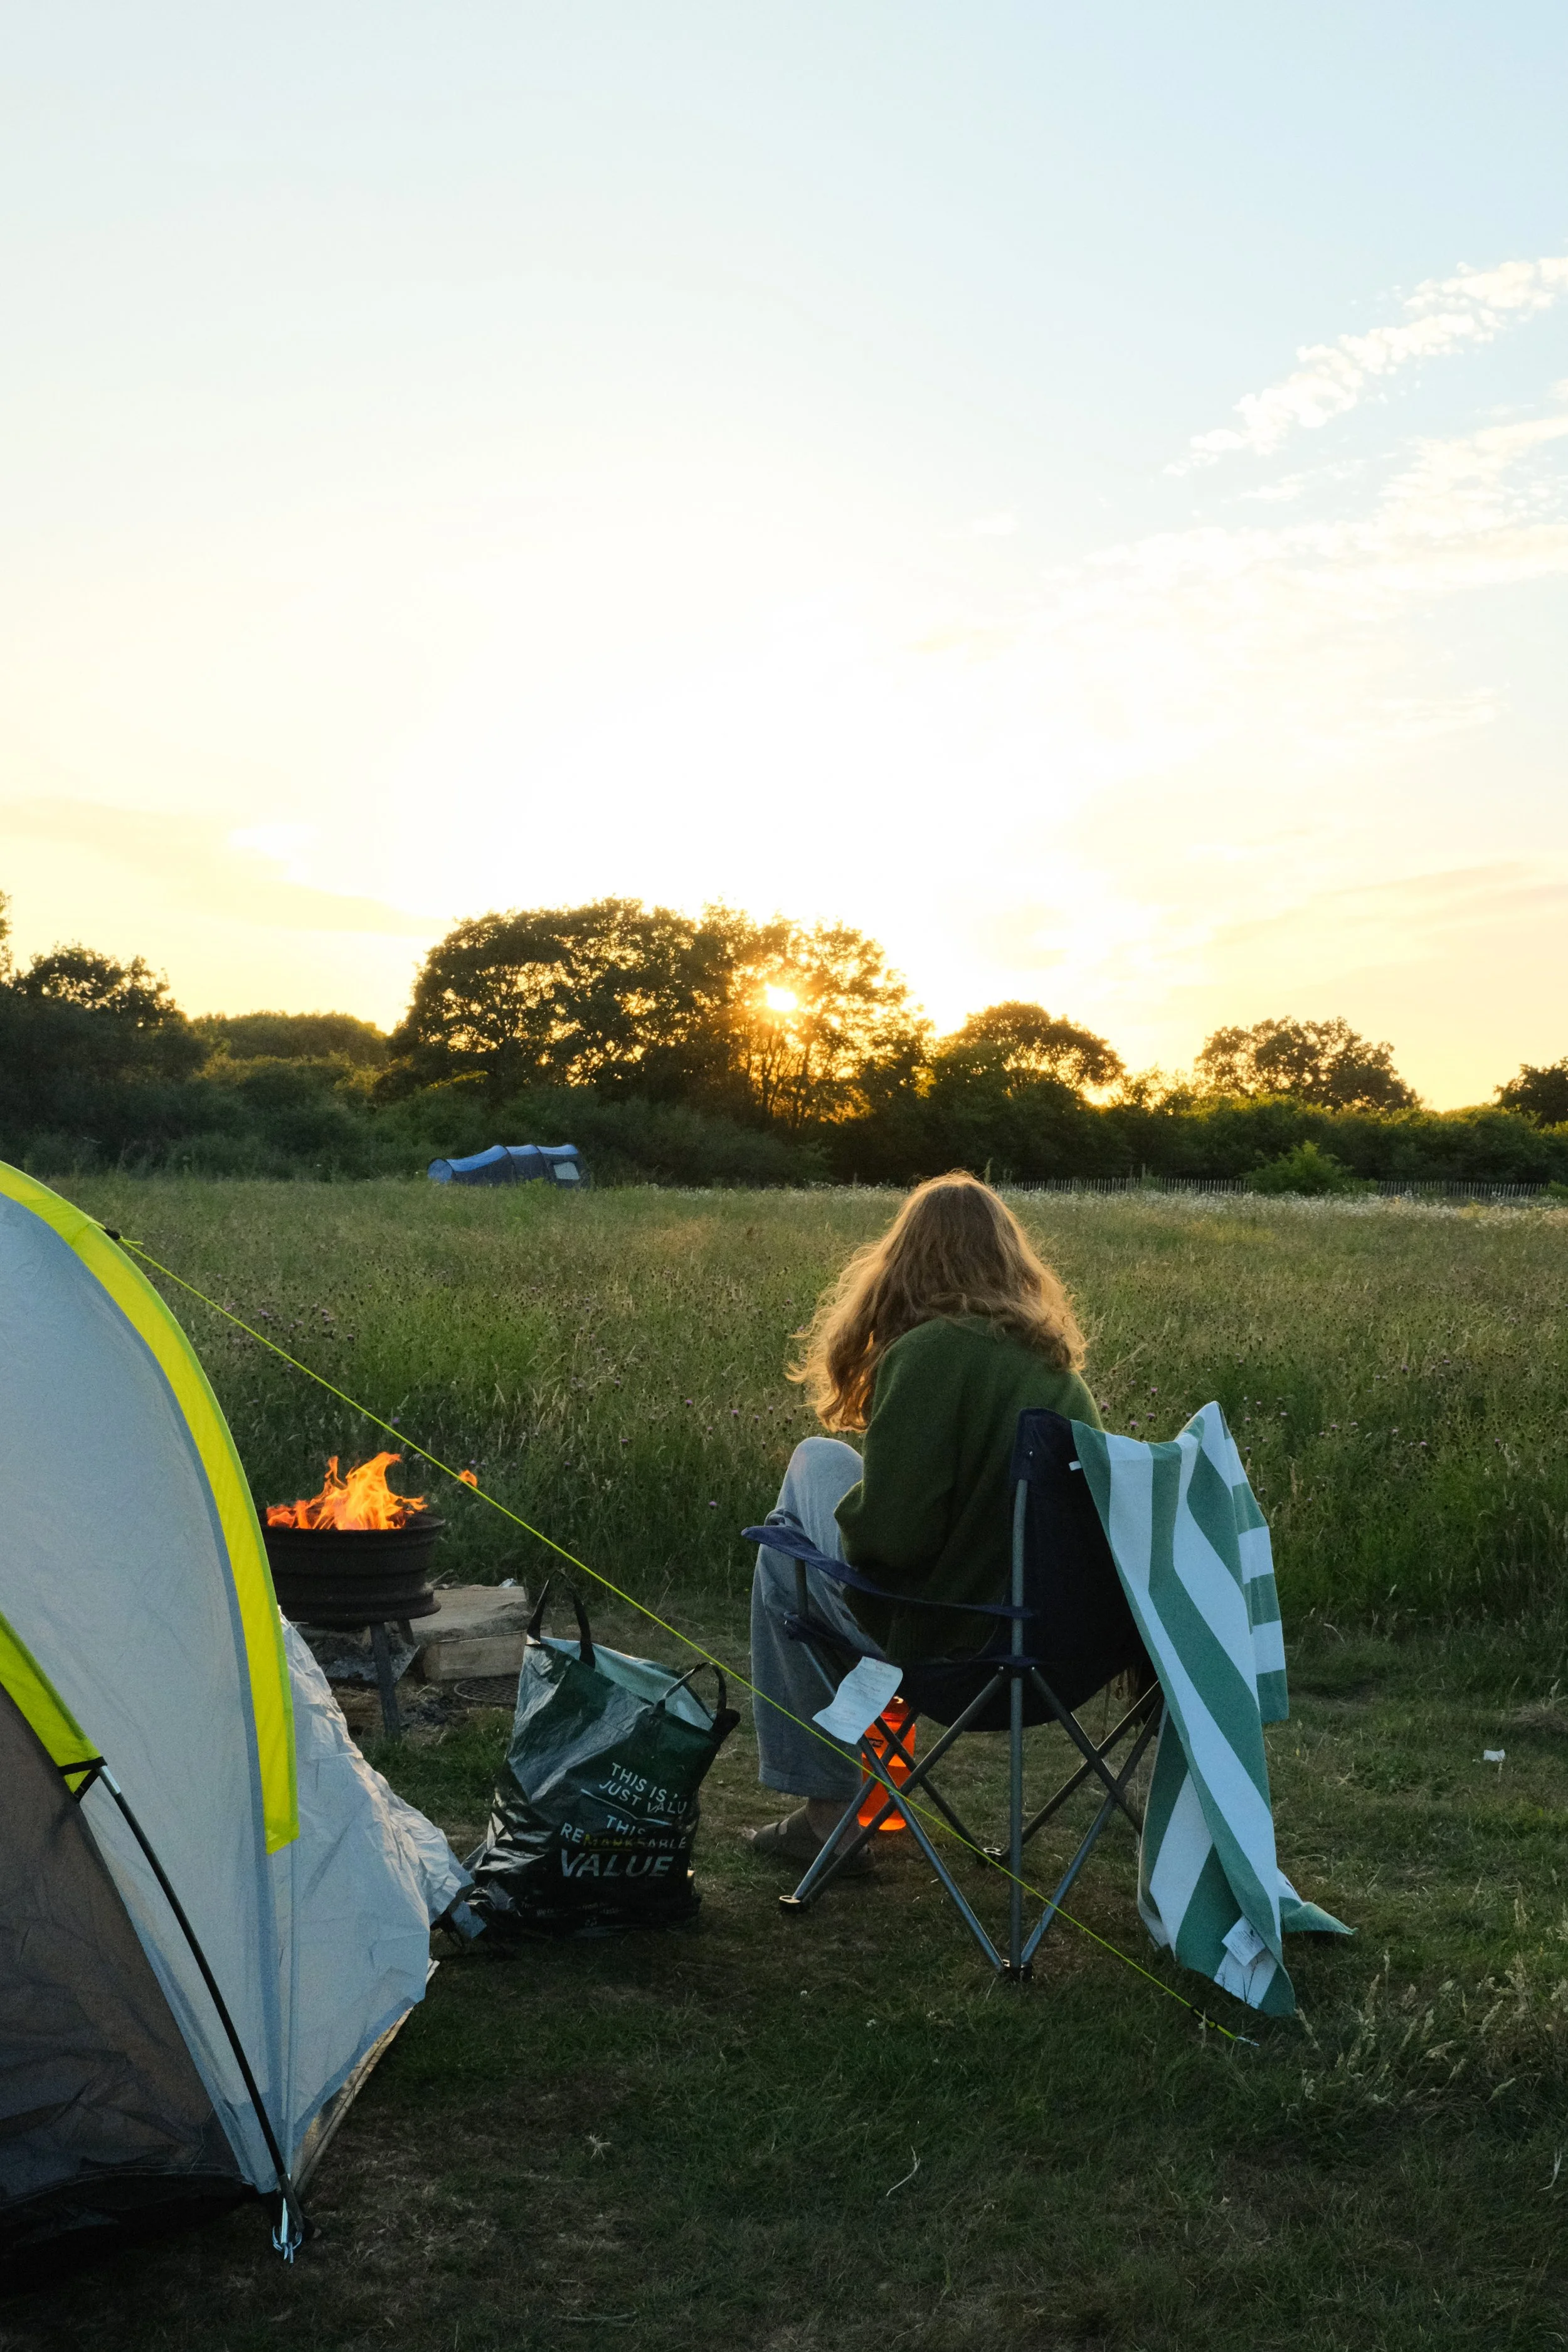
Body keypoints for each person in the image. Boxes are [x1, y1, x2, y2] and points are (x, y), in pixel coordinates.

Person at [743, 1171, 1103, 1874]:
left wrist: (842, 1528)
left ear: (903, 1262)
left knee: (791, 1524)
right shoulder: (1056, 1370)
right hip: (1059, 1651)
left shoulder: (930, 1352)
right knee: (803, 1512)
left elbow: (894, 1543)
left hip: (954, 1648)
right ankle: (845, 1802)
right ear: (1010, 1260)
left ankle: (828, 1819)